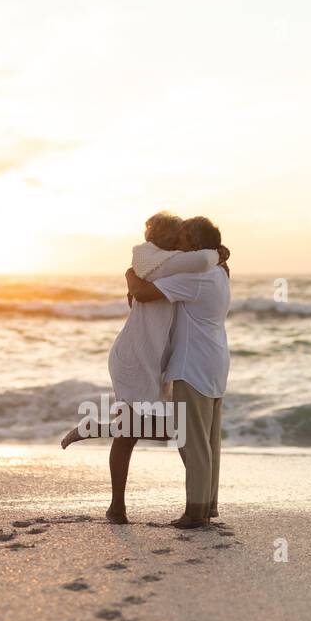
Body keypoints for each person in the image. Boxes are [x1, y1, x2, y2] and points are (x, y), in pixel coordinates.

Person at [60, 212, 222, 524]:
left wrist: (131, 277)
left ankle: (93, 431)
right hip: (136, 360)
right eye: (179, 238)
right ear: (169, 241)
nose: (182, 245)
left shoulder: (161, 265)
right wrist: (218, 253)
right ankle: (116, 506)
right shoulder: (163, 263)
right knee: (134, 433)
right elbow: (200, 261)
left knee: (175, 429)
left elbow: (193, 265)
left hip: (152, 361)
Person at [123, 216, 231, 529]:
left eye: (183, 240)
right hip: (215, 362)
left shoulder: (197, 277)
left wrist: (130, 273)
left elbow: (143, 292)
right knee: (209, 441)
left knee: (192, 441)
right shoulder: (220, 273)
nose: (177, 247)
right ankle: (207, 506)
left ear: (196, 244)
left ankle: (194, 514)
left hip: (192, 366)